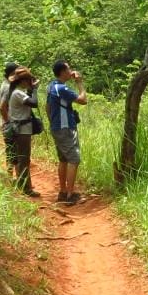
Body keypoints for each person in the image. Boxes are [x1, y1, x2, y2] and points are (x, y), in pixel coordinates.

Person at [47, 59, 87, 204]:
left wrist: (53, 123)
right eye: (69, 69)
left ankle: (63, 192)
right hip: (65, 128)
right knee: (74, 159)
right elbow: (83, 100)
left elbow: (47, 108)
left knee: (63, 159)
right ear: (63, 72)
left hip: (57, 127)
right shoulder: (62, 89)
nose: (71, 71)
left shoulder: (51, 86)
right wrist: (79, 83)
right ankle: (70, 195)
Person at [7, 66, 41, 197]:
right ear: (23, 81)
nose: (30, 82)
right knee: (24, 160)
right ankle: (26, 189)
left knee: (21, 159)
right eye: (28, 80)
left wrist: (31, 89)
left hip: (21, 129)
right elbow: (34, 103)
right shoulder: (18, 93)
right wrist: (35, 90)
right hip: (22, 130)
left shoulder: (17, 91)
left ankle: (23, 185)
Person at [0, 61, 19, 176]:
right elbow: (2, 107)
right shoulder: (7, 86)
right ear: (12, 73)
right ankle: (11, 176)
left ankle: (12, 176)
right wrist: (8, 122)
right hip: (9, 123)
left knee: (11, 150)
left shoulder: (5, 84)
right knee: (12, 151)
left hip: (7, 122)